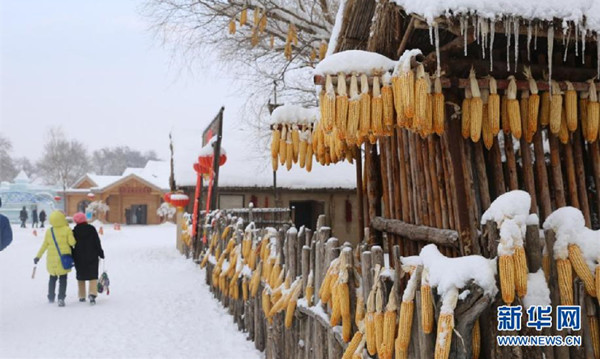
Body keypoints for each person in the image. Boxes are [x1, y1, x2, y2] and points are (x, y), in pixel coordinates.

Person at [34, 211, 76, 307]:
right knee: (63, 278)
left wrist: (38, 256)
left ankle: (51, 297)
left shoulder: (49, 231)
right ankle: (61, 298)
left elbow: (44, 245)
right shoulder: (66, 229)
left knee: (52, 278)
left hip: (51, 260)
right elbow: (72, 243)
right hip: (63, 259)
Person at [72, 212, 104, 305]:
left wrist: (72, 255)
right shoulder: (91, 229)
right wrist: (101, 253)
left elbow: (71, 244)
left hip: (79, 256)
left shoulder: (74, 231)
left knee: (80, 276)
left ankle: (82, 296)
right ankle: (92, 294)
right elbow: (97, 242)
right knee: (93, 275)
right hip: (92, 255)